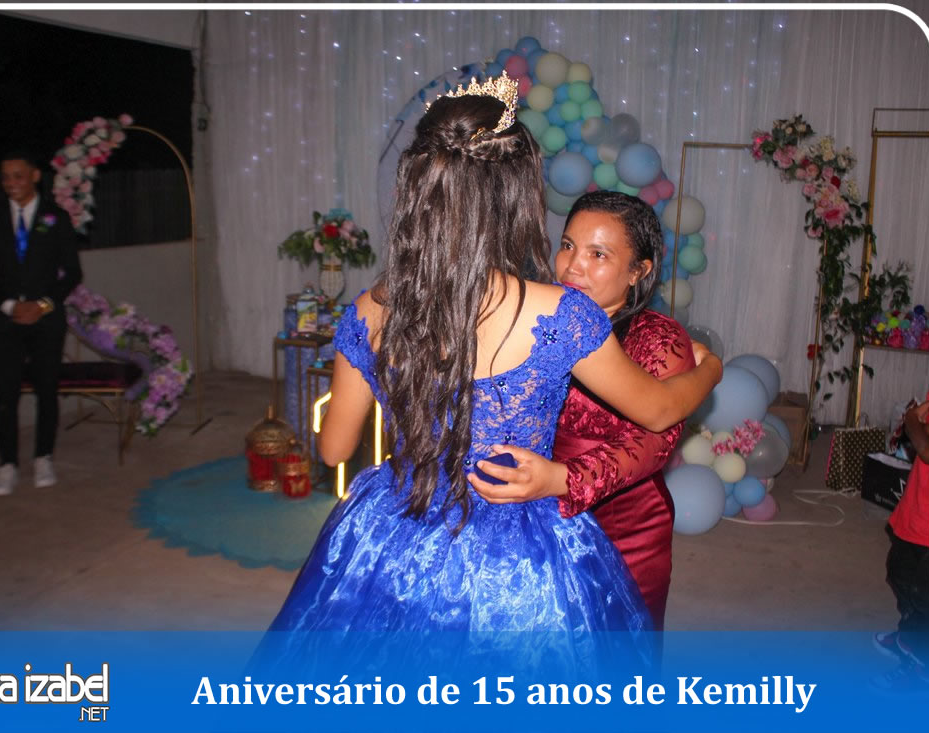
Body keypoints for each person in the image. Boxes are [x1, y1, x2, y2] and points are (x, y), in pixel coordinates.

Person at [267, 74, 721, 670]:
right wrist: (709, 369)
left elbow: (333, 450)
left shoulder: (369, 310)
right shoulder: (561, 313)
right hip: (518, 550)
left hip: (396, 525)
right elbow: (660, 411)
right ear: (515, 196)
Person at [471, 191, 692, 630]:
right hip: (534, 512)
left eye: (598, 254)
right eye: (568, 246)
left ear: (639, 271)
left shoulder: (658, 337)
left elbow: (655, 441)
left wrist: (562, 479)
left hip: (626, 525)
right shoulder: (539, 319)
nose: (573, 266)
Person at [0, 151, 82, 496]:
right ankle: (7, 464)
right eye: (6, 177)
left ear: (35, 176)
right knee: (5, 392)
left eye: (18, 176)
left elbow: (72, 273)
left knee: (46, 389)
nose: (11, 183)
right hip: (7, 320)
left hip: (46, 318)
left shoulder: (55, 217)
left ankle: (43, 457)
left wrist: (43, 305)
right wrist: (9, 305)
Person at [873, 378, 929, 692]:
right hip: (921, 505)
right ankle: (910, 636)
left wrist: (912, 418)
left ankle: (925, 670)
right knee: (900, 574)